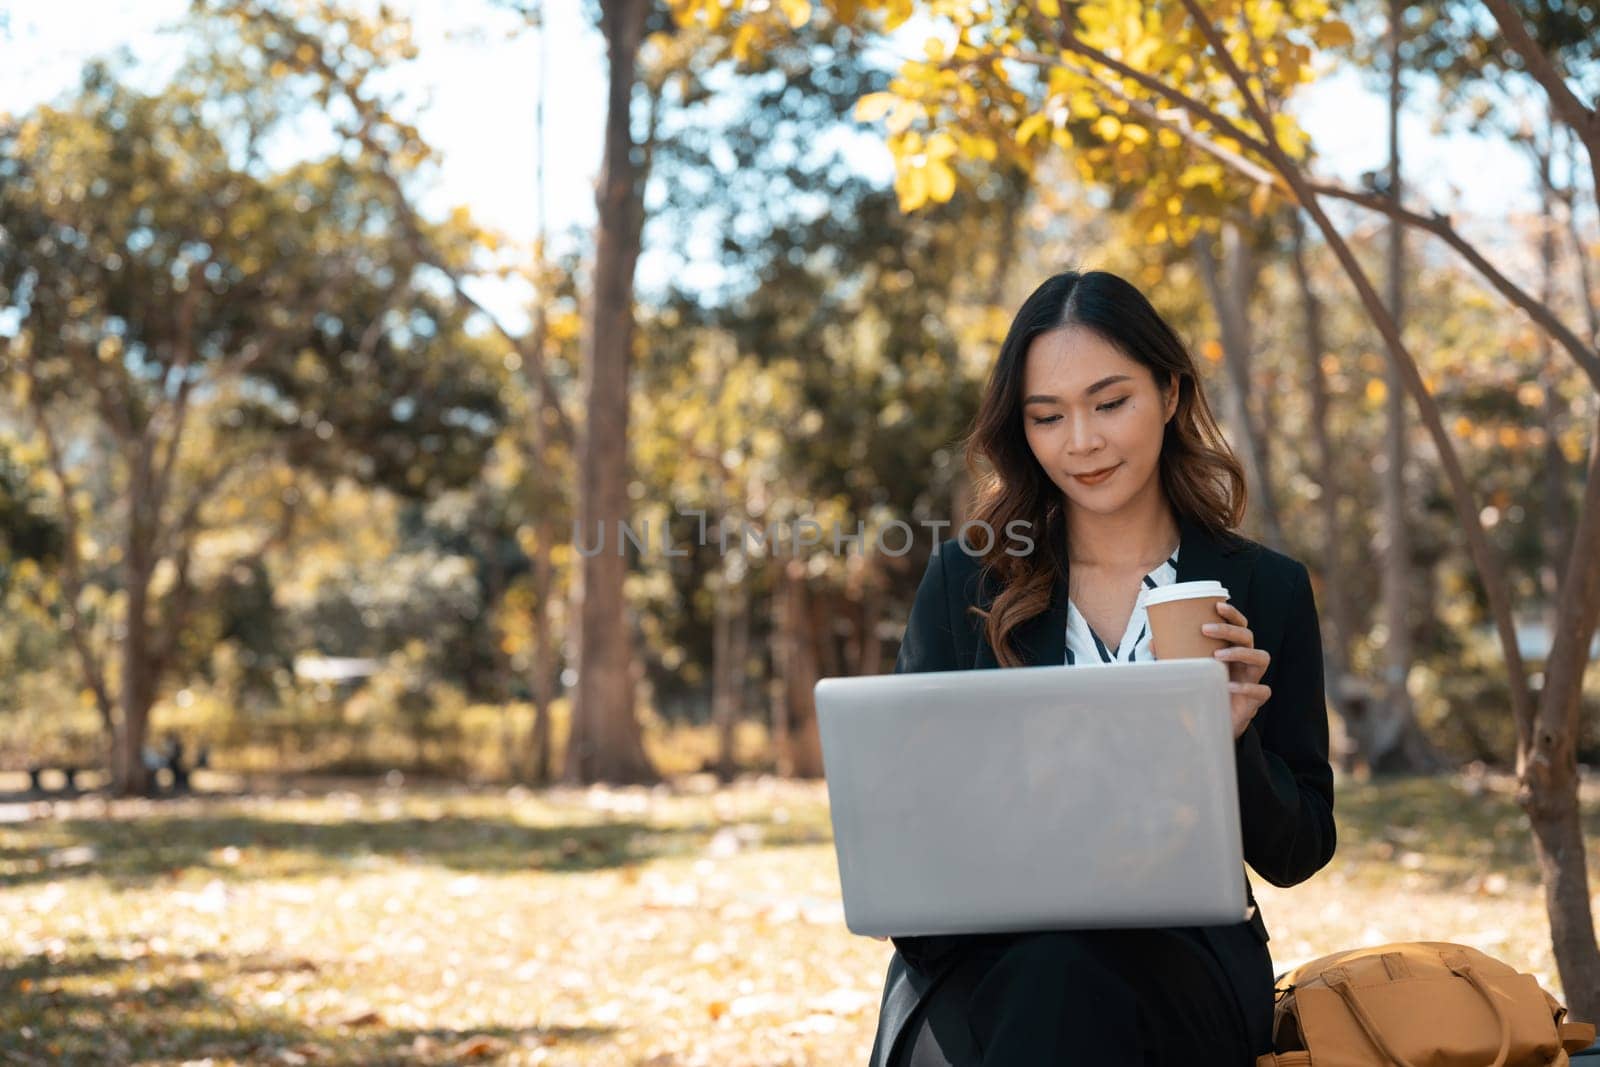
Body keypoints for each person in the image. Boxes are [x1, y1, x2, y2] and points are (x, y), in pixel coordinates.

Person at [866, 269, 1336, 1067]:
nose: (1080, 441)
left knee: (1068, 986)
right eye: (1047, 416)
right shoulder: (967, 579)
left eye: (1109, 402)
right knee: (1050, 977)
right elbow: (909, 834)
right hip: (978, 960)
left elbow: (1299, 851)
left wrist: (1233, 742)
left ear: (1172, 392)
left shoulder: (1264, 588)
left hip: (1179, 960)